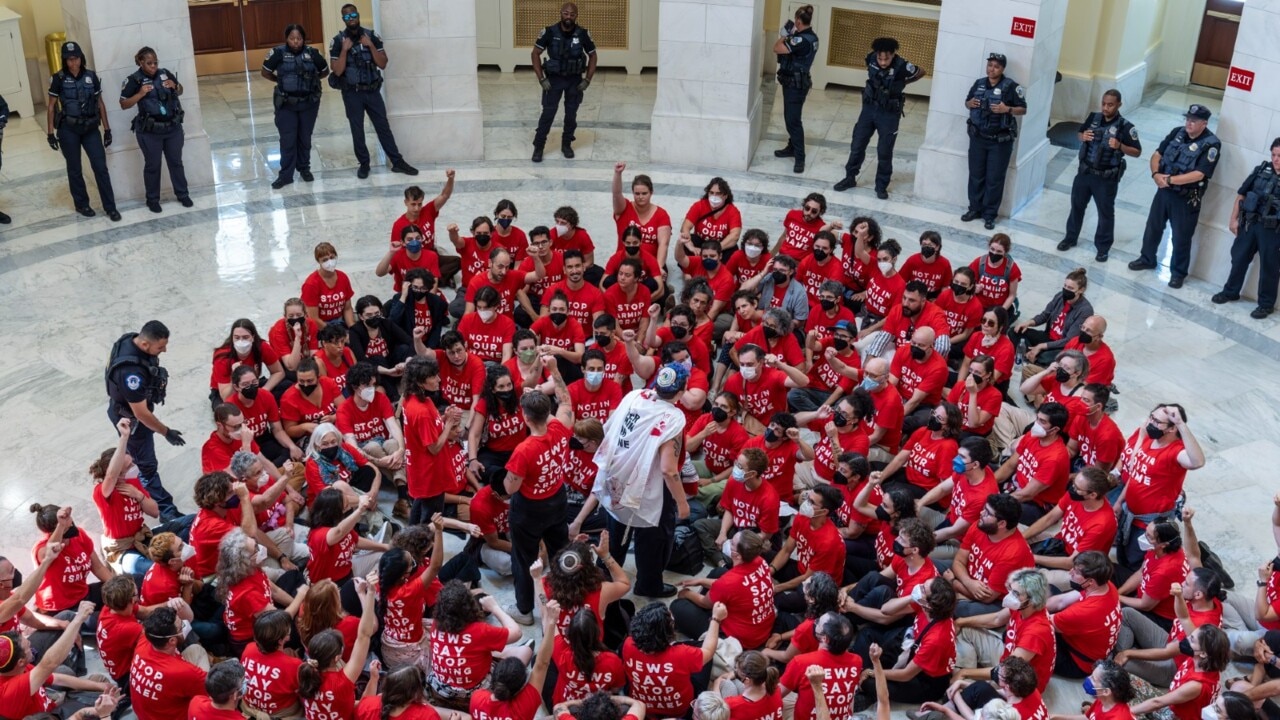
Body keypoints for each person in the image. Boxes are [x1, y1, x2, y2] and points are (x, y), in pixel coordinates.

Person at [594, 364, 691, 599]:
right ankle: (648, 585)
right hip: (650, 485)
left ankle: (600, 579)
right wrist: (682, 503)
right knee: (653, 539)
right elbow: (668, 469)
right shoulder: (674, 416)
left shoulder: (634, 395)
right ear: (682, 390)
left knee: (615, 529)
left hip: (617, 474)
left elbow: (609, 427)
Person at [503, 358, 574, 623]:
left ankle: (524, 611)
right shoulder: (561, 427)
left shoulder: (523, 450)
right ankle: (566, 598)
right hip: (557, 499)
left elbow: (511, 487)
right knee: (560, 552)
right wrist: (554, 368)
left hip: (529, 509)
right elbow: (566, 401)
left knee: (524, 559)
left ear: (525, 417)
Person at [1129, 104, 1221, 288]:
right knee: (1153, 227)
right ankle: (1147, 258)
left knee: (1181, 237)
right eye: (1187, 119)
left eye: (1193, 121)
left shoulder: (1212, 144)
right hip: (1164, 191)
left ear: (1204, 123)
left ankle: (1178, 273)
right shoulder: (1177, 133)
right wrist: (1156, 175)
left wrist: (1170, 180)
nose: (1188, 123)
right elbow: (1157, 155)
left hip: (1185, 198)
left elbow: (1200, 174)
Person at [105, 320, 182, 521]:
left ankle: (127, 470)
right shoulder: (131, 373)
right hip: (133, 422)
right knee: (146, 467)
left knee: (134, 458)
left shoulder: (130, 339)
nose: (164, 350)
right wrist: (166, 432)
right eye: (160, 347)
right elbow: (141, 414)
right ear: (146, 345)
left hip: (123, 410)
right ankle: (167, 512)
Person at [1114, 404, 1205, 570]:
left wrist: (1181, 424)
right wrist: (1120, 501)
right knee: (1123, 551)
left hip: (1149, 523)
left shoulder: (1175, 451)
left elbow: (1197, 462)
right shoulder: (1148, 437)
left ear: (1171, 429)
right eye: (1152, 417)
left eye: (1158, 422)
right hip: (1130, 511)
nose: (1151, 423)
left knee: (1136, 560)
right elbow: (1136, 474)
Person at [329, 4, 416, 178]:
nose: (351, 18)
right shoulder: (338, 41)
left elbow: (383, 63)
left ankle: (397, 161)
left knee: (383, 126)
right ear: (343, 19)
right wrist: (345, 50)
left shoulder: (371, 36)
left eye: (353, 14)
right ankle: (364, 164)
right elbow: (337, 70)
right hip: (352, 93)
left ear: (358, 15)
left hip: (372, 92)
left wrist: (370, 46)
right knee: (357, 130)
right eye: (346, 16)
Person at [836, 37, 925, 197]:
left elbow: (921, 72)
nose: (883, 62)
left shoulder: (902, 65)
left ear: (893, 55)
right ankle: (850, 177)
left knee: (884, 151)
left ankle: (881, 186)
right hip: (869, 108)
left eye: (887, 58)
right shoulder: (870, 58)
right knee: (857, 144)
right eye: (880, 58)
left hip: (889, 113)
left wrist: (904, 82)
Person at [1059, 89, 1142, 261]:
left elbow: (1136, 151)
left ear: (1119, 105)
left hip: (1106, 178)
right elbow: (1079, 133)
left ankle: (1103, 248)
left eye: (1110, 105)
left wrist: (1120, 146)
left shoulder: (1126, 127)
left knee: (1105, 213)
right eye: (1103, 103)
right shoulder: (1093, 118)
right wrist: (1083, 136)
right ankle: (1070, 238)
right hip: (1085, 172)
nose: (1105, 108)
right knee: (1077, 206)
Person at [46, 41, 118, 220]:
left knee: (100, 167)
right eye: (69, 59)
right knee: (75, 169)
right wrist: (50, 133)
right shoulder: (58, 78)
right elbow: (51, 107)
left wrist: (107, 129)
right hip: (68, 129)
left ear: (81, 58)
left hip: (91, 128)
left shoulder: (91, 76)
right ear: (64, 60)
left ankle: (110, 207)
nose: (73, 63)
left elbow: (100, 103)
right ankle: (82, 205)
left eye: (76, 58)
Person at [427, 580, 531, 704]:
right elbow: (517, 632)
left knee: (483, 650)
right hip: (475, 695)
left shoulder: (436, 625)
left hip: (441, 692)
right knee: (525, 650)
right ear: (470, 606)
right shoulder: (480, 631)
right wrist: (495, 608)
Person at [953, 568, 1055, 692]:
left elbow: (1006, 670)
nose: (1010, 596)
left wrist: (966, 672)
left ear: (1033, 600)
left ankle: (963, 686)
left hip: (1018, 683)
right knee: (965, 630)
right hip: (1009, 654)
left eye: (1016, 594)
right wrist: (961, 621)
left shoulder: (1036, 632)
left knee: (976, 695)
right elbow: (997, 619)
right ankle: (963, 682)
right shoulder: (1024, 607)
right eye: (1011, 590)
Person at [672, 530, 777, 649]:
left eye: (732, 543)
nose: (729, 542)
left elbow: (705, 603)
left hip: (738, 640)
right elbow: (732, 587)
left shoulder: (730, 581)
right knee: (718, 572)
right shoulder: (760, 561)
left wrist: (686, 593)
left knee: (678, 606)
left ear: (737, 555)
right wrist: (701, 581)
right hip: (760, 628)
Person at [1213, 137, 1280, 319]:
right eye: (1274, 154)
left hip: (1273, 232)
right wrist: (1233, 219)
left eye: (1279, 156)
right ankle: (1231, 292)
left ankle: (1266, 305)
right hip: (1250, 224)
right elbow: (1241, 194)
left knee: (1270, 267)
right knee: (1239, 258)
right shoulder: (1261, 171)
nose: (1276, 159)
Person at [623, 601, 726, 718]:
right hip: (679, 710)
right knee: (705, 655)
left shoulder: (628, 644)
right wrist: (716, 619)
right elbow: (708, 650)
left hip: (641, 707)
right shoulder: (682, 654)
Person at [0, 601, 101, 718]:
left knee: (92, 681)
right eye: (28, 647)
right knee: (104, 699)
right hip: (51, 716)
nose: (30, 642)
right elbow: (49, 663)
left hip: (51, 706)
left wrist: (99, 686)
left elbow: (59, 679)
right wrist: (77, 620)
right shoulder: (11, 690)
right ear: (20, 661)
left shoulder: (18, 669)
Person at [1021, 467, 1118, 588]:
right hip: (1059, 543)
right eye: (1074, 484)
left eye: (1077, 488)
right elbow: (1049, 518)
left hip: (1077, 569)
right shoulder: (1076, 494)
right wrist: (1020, 539)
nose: (1072, 489)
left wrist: (1032, 557)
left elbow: (1072, 562)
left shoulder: (1101, 524)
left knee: (1027, 579)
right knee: (1013, 535)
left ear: (1092, 495)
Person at [119, 46, 190, 213]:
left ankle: (182, 194)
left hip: (172, 128)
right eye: (149, 63)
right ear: (141, 63)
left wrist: (175, 86)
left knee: (176, 162)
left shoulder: (165, 73)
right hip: (150, 132)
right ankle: (152, 199)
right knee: (153, 165)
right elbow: (123, 104)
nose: (153, 66)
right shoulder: (134, 80)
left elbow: (180, 90)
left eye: (155, 62)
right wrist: (140, 94)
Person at [961, 54, 1026, 229]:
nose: (992, 69)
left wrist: (1007, 109)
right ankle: (974, 208)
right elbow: (966, 102)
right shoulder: (979, 83)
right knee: (976, 175)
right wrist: (970, 103)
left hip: (1000, 142)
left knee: (994, 179)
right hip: (978, 138)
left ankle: (989, 214)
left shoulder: (1011, 87)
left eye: (996, 66)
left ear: (1002, 69)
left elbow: (1023, 109)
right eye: (990, 65)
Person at [297, 578, 376, 720]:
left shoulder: (303, 673)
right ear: (337, 657)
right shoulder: (343, 681)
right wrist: (368, 594)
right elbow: (365, 634)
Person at [945, 493, 1034, 617]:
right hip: (970, 577)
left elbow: (987, 598)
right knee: (930, 565)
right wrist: (968, 582)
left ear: (1002, 524)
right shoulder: (981, 525)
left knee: (950, 607)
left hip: (997, 600)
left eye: (987, 513)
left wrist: (954, 582)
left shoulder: (1013, 554)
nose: (981, 513)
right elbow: (959, 561)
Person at [261, 24, 328, 189]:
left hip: (309, 103)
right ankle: (285, 175)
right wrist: (280, 81)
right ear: (286, 39)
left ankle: (304, 168)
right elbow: (265, 72)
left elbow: (325, 71)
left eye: (299, 38)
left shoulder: (313, 53)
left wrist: (312, 81)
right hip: (286, 104)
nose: (296, 42)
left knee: (305, 137)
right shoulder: (277, 53)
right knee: (288, 140)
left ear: (303, 39)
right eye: (292, 38)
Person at [470, 601, 560, 720]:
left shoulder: (477, 698)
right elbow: (541, 664)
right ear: (522, 688)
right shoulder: (525, 705)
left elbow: (542, 664)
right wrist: (552, 622)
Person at [532, 2, 596, 162]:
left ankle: (566, 144)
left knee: (571, 115)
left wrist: (587, 79)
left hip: (574, 81)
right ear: (561, 13)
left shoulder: (583, 34)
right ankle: (539, 147)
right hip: (553, 80)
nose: (569, 17)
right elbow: (535, 54)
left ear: (576, 16)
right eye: (566, 13)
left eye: (572, 14)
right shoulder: (548, 32)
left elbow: (593, 56)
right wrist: (541, 79)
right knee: (548, 114)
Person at [1046, 551, 1123, 677]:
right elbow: (1061, 601)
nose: (1070, 572)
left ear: (1090, 581)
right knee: (1049, 591)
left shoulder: (1083, 612)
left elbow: (1040, 622)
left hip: (1078, 662)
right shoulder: (1106, 586)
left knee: (1019, 634)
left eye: (1076, 572)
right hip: (1091, 647)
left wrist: (1020, 607)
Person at [1129, 625, 1230, 720]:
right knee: (1128, 680)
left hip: (1175, 716)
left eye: (1192, 639)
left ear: (1203, 653)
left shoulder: (1196, 685)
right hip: (1172, 703)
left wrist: (1127, 712)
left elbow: (1157, 703)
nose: (1186, 638)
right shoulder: (1204, 661)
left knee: (1122, 708)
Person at [130, 607, 210, 720]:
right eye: (181, 627)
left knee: (196, 650)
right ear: (172, 641)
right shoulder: (184, 672)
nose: (183, 627)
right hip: (176, 714)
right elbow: (213, 691)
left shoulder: (144, 641)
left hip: (144, 713)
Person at [779, 612, 862, 720]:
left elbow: (777, 694)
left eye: (818, 623)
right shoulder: (857, 661)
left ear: (825, 639)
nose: (815, 622)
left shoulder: (801, 662)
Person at [772, 5, 818, 173]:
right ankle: (792, 147)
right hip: (797, 83)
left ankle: (800, 157)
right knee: (791, 117)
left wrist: (785, 35)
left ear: (798, 21)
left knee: (793, 121)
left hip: (795, 85)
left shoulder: (800, 40)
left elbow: (776, 48)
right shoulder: (812, 37)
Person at [612, 162, 673, 265]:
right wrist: (618, 174)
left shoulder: (661, 214)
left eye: (644, 193)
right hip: (625, 264)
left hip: (651, 265)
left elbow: (664, 244)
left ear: (651, 193)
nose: (640, 197)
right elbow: (616, 194)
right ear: (633, 193)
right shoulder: (624, 208)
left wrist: (657, 270)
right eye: (637, 193)